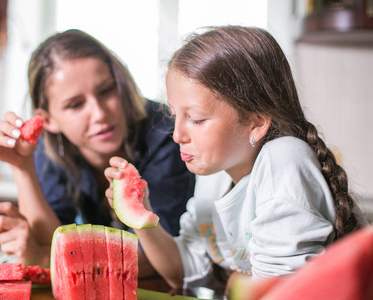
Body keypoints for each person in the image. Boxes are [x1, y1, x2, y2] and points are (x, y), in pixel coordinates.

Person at [104, 25, 368, 289]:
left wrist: (237, 283)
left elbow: (285, 290)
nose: (177, 135)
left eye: (196, 119)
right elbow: (183, 273)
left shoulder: (284, 159)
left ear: (256, 123)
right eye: (175, 116)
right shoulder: (216, 174)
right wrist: (140, 213)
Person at [0, 29, 195, 276]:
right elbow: (52, 241)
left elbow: (156, 258)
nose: (99, 114)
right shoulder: (48, 145)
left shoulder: (166, 134)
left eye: (106, 91)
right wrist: (22, 167)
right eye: (75, 104)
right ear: (48, 120)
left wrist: (44, 256)